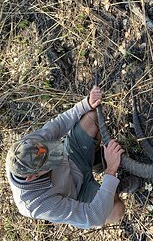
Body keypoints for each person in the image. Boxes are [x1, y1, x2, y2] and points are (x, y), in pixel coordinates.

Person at [6, 86, 140, 229]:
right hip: (79, 193)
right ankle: (116, 188)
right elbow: (93, 216)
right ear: (32, 177)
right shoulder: (36, 204)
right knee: (116, 211)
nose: (52, 155)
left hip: (72, 158)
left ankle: (96, 161)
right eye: (48, 162)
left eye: (49, 151)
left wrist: (86, 103)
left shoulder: (24, 147)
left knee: (91, 116)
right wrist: (111, 171)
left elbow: (57, 125)